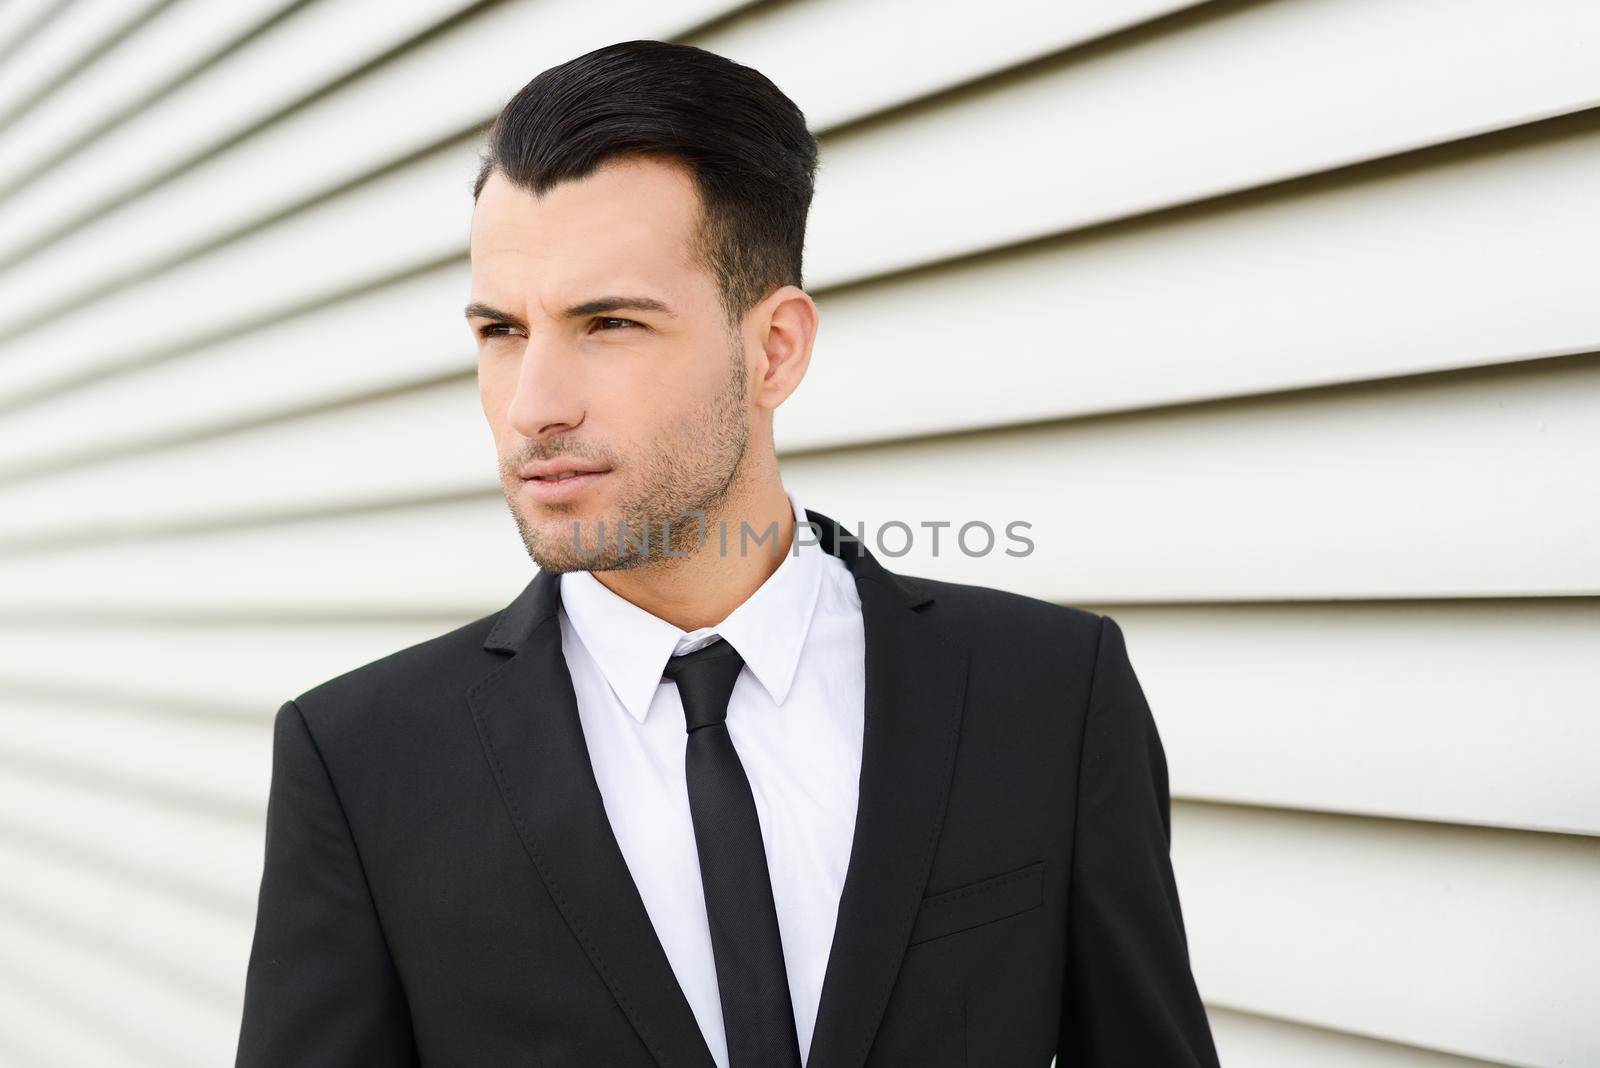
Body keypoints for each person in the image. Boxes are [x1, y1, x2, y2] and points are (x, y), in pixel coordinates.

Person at [235, 38, 1220, 1068]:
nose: (532, 408)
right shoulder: (361, 760)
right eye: (501, 331)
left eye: (607, 323)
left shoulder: (1048, 695)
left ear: (774, 350)